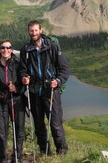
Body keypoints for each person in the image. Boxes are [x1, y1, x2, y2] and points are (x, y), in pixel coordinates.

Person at [20, 20, 69, 156]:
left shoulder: (52, 46)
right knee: (39, 126)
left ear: (40, 30)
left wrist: (58, 81)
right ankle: (45, 152)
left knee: (55, 124)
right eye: (31, 30)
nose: (34, 33)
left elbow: (64, 69)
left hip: (51, 91)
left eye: (36, 30)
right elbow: (22, 70)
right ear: (28, 32)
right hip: (35, 92)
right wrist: (24, 77)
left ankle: (62, 152)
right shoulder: (26, 50)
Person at [0, 39, 25, 163]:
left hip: (16, 100)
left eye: (8, 48)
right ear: (0, 49)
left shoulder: (18, 65)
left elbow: (24, 85)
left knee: (19, 131)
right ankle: (1, 158)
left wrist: (16, 88)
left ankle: (17, 158)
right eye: (3, 48)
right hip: (1, 102)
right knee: (1, 133)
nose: (5, 50)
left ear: (12, 50)